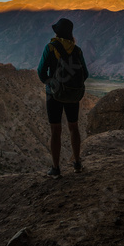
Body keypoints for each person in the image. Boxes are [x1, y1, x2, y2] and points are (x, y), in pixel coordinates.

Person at [37, 18, 88, 178]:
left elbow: (41, 72)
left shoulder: (50, 47)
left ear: (57, 32)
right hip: (73, 95)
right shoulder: (77, 50)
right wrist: (72, 86)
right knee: (74, 127)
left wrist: (51, 84)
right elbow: (85, 73)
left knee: (55, 130)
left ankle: (56, 168)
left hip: (54, 95)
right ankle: (77, 163)